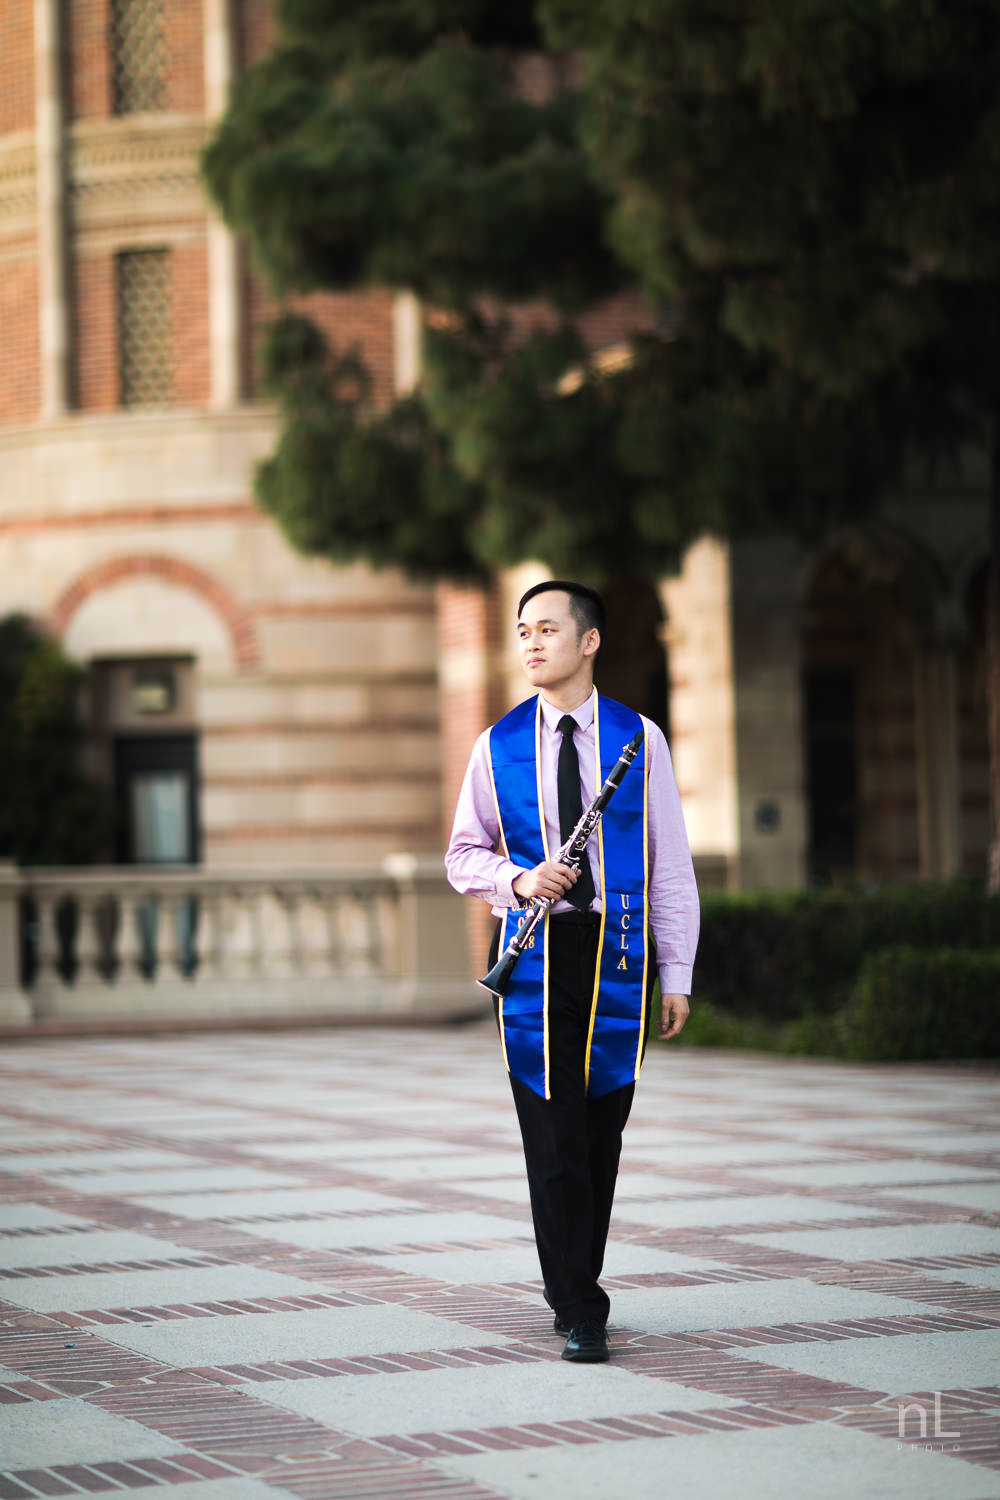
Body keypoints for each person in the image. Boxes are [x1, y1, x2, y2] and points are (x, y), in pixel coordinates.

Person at [445, 580, 700, 1364]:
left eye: (547, 629)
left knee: (599, 1135)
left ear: (589, 642)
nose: (530, 643)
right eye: (522, 630)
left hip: (616, 953)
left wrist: (677, 969)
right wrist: (519, 880)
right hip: (533, 956)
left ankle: (576, 1282)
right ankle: (579, 1306)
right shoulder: (496, 744)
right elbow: (462, 855)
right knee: (551, 1135)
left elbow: (671, 865)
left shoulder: (639, 738)